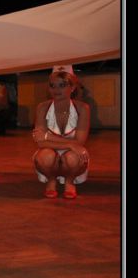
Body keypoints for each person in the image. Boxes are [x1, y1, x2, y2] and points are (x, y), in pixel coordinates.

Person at [32, 65, 91, 199]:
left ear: (73, 87)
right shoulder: (42, 107)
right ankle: (51, 180)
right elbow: (40, 143)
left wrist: (47, 136)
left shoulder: (83, 108)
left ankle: (70, 181)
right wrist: (70, 144)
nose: (56, 90)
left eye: (62, 85)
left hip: (72, 154)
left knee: (74, 157)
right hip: (51, 151)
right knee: (45, 156)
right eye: (52, 86)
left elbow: (80, 142)